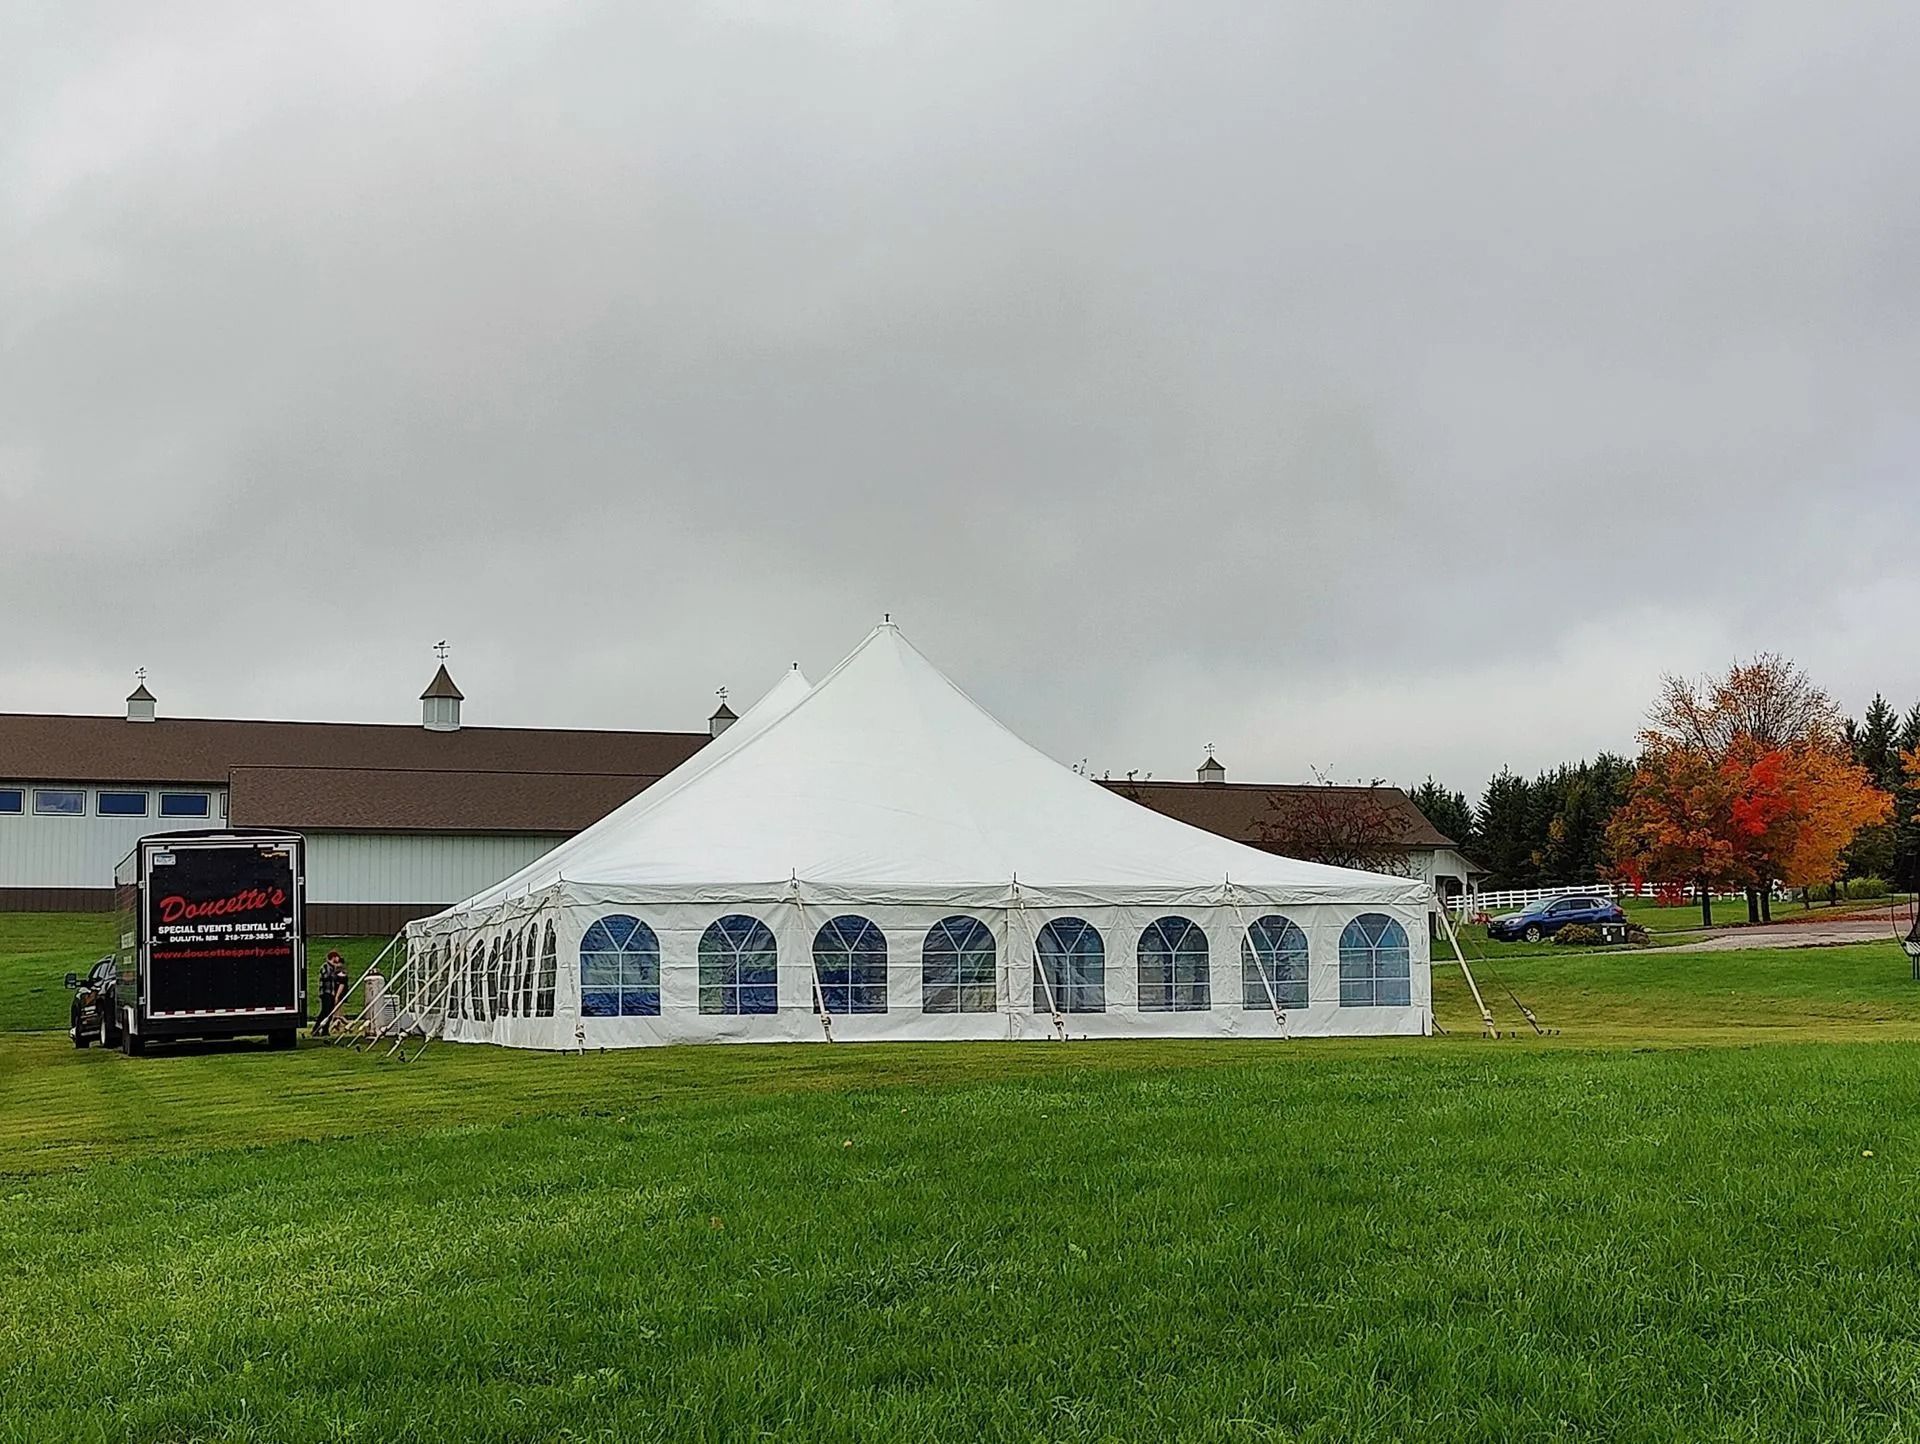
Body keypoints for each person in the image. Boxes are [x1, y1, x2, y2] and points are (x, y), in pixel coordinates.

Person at [316, 950, 349, 1036]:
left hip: (331, 992)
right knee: (324, 1011)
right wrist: (336, 973)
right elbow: (326, 976)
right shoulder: (325, 966)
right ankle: (316, 1028)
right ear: (333, 957)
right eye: (337, 957)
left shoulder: (333, 968)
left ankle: (325, 1030)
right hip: (325, 992)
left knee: (330, 1012)